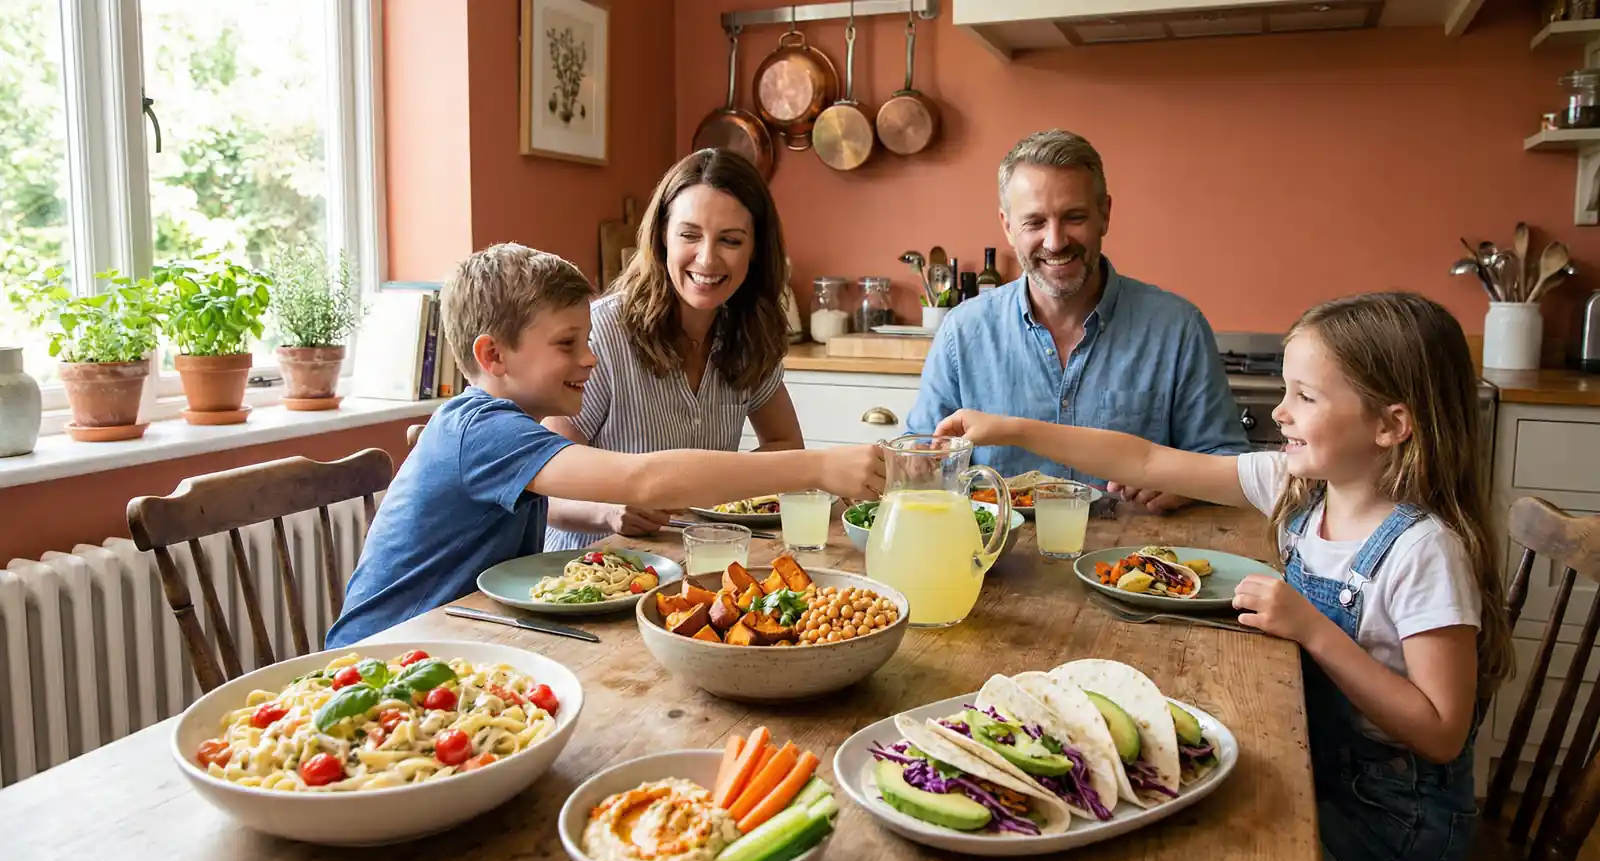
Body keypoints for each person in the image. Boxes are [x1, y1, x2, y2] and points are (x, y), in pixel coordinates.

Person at [935, 291, 1511, 861]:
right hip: (1317, 763)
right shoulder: (1300, 487)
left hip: (1394, 825)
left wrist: (1313, 628)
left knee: (1189, 859)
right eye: (1286, 391)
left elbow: (1441, 729)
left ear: (1390, 425)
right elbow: (1147, 459)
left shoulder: (1425, 551)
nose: (1281, 412)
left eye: (1305, 397)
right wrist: (1009, 428)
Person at [326, 244, 881, 647]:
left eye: (587, 340)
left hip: (459, 637)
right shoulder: (481, 430)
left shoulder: (503, 425)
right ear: (493, 356)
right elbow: (645, 478)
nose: (589, 358)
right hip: (384, 653)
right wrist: (818, 465)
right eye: (567, 344)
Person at [905, 129, 1248, 513]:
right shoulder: (962, 331)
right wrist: (915, 462)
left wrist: (1186, 486)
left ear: (1104, 214)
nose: (1055, 241)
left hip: (1133, 561)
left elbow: (1228, 462)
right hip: (998, 560)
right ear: (1006, 226)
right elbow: (920, 457)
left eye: (1074, 217)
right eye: (1034, 222)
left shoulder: (1177, 328)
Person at [543, 149, 802, 551]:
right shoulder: (603, 335)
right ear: (662, 237)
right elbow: (544, 482)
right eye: (690, 235)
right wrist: (609, 511)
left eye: (730, 240)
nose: (707, 258)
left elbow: (786, 447)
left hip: (698, 561)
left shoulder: (749, 332)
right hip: (589, 574)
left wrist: (729, 492)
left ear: (755, 250)